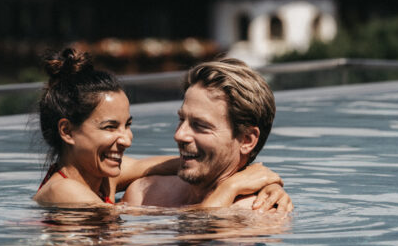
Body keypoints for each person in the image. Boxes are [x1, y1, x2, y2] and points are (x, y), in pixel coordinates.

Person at [34, 49, 287, 210]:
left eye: (127, 125)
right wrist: (231, 187)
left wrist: (255, 177)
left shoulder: (104, 177)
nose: (126, 139)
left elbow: (160, 165)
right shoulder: (64, 191)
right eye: (110, 127)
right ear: (67, 132)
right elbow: (122, 230)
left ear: (247, 140)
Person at [123, 58, 288, 211]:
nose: (179, 135)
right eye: (182, 119)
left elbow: (200, 237)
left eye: (200, 125)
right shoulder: (145, 193)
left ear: (247, 140)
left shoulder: (257, 214)